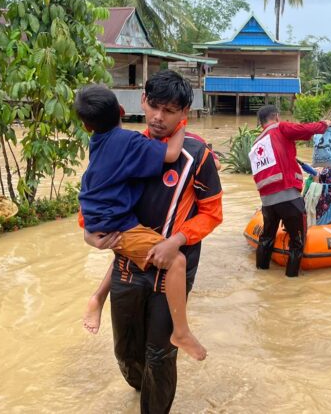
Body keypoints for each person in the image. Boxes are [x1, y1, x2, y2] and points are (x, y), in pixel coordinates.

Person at [83, 70, 223, 413]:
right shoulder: (124, 145)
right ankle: (139, 390)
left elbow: (212, 213)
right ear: (142, 102)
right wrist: (89, 233)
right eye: (155, 107)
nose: (159, 117)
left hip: (170, 271)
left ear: (184, 112)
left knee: (159, 356)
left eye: (170, 111)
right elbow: (94, 190)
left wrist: (177, 240)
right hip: (127, 268)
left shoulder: (198, 155)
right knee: (126, 352)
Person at [251, 105, 331, 277]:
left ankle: (261, 275)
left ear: (261, 123)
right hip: (288, 197)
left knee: (266, 239)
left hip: (267, 202)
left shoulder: (257, 142)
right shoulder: (280, 127)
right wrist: (324, 124)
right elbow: (304, 129)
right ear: (276, 117)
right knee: (297, 242)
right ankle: (291, 281)